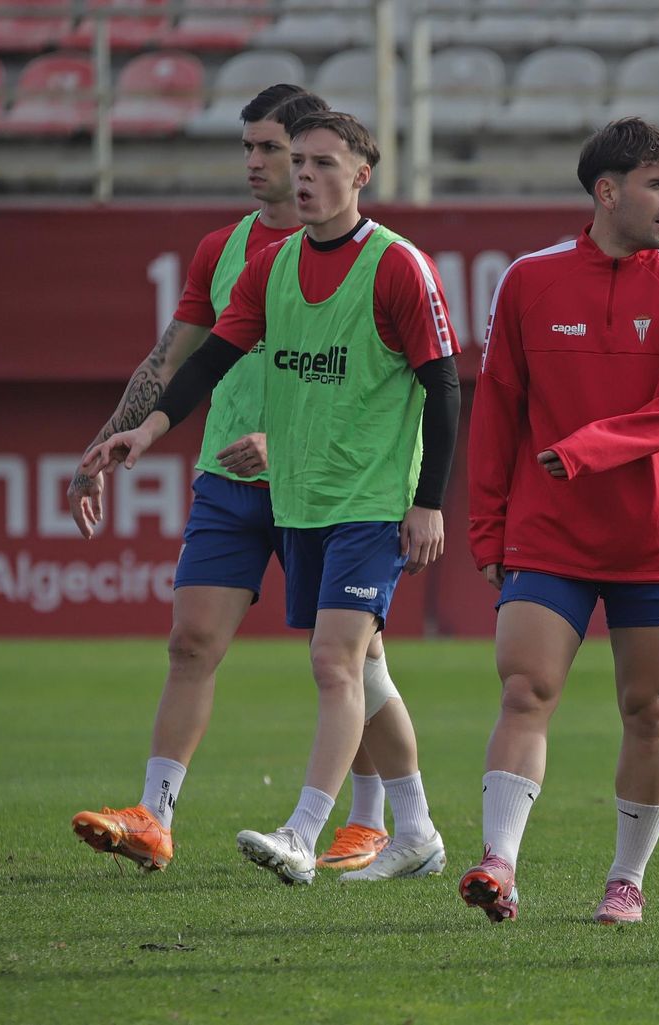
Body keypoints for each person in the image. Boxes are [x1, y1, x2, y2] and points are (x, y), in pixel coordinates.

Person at [82, 110, 460, 886]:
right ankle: (415, 827)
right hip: (300, 499)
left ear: (362, 174)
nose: (303, 175)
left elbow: (444, 386)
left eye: (322, 162)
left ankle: (307, 830)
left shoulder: (397, 265)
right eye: (301, 162)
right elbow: (207, 361)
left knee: (334, 662)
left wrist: (427, 501)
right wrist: (145, 431)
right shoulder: (269, 266)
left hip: (370, 497)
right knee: (361, 670)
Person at [460, 118, 659, 926]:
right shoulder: (529, 280)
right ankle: (499, 863)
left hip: (656, 532)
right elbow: (497, 409)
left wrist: (589, 448)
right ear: (607, 191)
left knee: (650, 710)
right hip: (549, 532)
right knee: (525, 687)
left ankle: (626, 880)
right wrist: (486, 525)